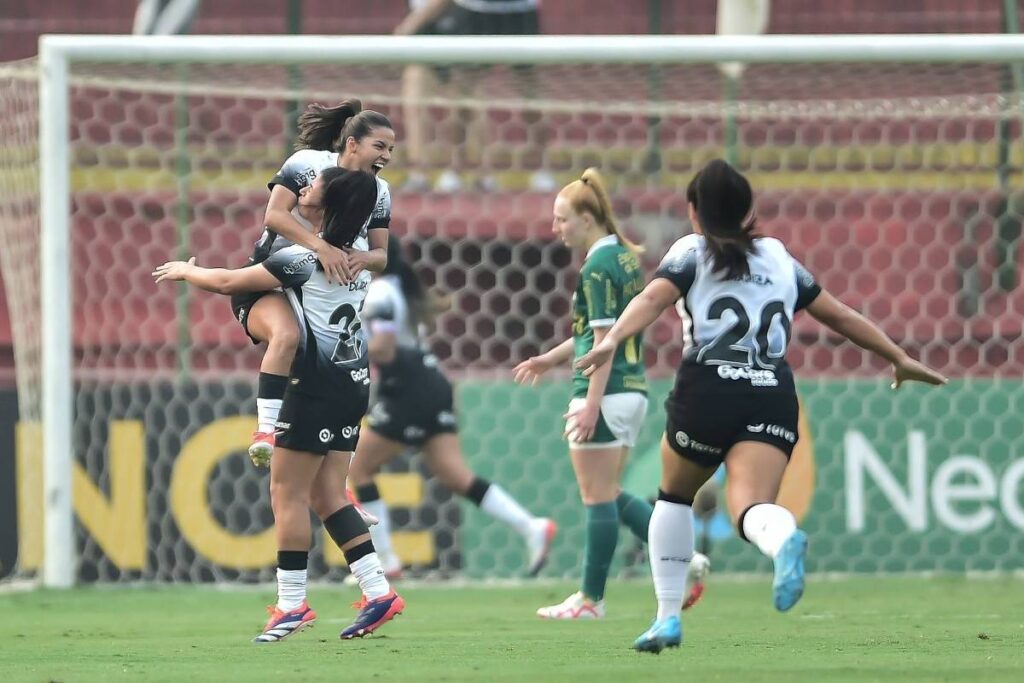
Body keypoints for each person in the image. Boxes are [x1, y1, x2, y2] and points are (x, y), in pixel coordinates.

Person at [575, 158, 948, 653]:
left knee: (674, 497)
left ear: (694, 211)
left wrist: (612, 337)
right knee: (751, 507)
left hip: (708, 388)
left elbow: (652, 299)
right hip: (771, 391)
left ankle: (667, 618)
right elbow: (838, 314)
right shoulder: (779, 258)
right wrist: (897, 357)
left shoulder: (691, 251)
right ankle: (783, 538)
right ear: (748, 210)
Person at [154, 168, 405, 643]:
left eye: (314, 188)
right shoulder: (359, 260)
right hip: (353, 381)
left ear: (326, 207)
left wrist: (186, 270)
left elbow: (229, 281)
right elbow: (375, 255)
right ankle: (378, 592)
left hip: (313, 386)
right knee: (328, 495)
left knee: (286, 494)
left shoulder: (301, 259)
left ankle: (291, 604)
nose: (304, 190)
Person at [349, 236, 557, 578]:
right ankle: (531, 527)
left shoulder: (381, 293)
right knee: (455, 476)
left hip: (409, 387)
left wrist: (341, 348)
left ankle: (385, 560)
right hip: (433, 382)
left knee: (359, 469)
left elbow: (384, 349)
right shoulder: (399, 290)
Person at [512, 168, 661, 619]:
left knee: (596, 495)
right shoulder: (623, 256)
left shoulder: (596, 266)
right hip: (633, 388)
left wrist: (591, 403)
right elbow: (595, 335)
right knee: (609, 491)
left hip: (605, 390)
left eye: (562, 219)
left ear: (588, 218)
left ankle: (591, 599)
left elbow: (600, 344)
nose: (555, 228)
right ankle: (680, 551)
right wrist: (548, 360)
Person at [234, 99, 395, 467]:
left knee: (329, 377)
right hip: (272, 279)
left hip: (317, 288)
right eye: (380, 146)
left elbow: (381, 255)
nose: (387, 155)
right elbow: (274, 216)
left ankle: (339, 489)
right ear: (352, 144)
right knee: (287, 338)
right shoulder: (307, 164)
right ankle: (265, 432)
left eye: (391, 149)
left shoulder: (380, 191)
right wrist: (321, 248)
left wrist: (363, 258)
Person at [394, 0, 555, 193]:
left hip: (520, 9)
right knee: (464, 91)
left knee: (529, 91)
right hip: (475, 8)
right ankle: (456, 170)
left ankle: (542, 168)